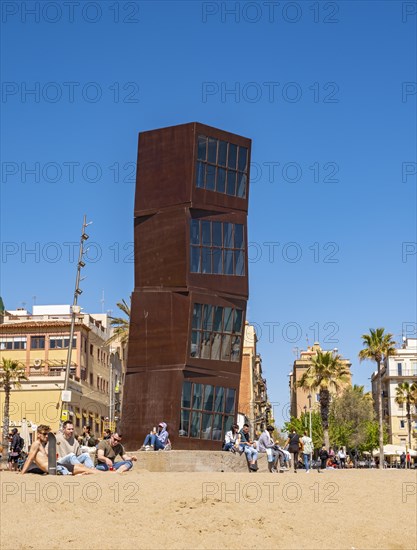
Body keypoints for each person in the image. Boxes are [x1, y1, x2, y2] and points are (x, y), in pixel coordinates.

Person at [21, 425, 94, 475]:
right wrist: (22, 473)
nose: (46, 436)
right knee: (80, 468)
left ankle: (93, 471)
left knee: (81, 465)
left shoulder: (42, 445)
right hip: (54, 468)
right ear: (38, 434)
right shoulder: (36, 444)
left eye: (47, 434)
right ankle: (92, 472)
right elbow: (29, 459)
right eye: (44, 434)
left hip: (55, 465)